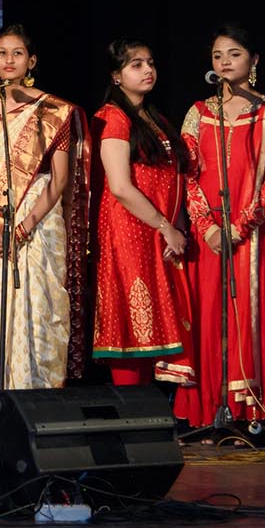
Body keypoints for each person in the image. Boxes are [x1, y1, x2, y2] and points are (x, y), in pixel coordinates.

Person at [174, 23, 265, 427]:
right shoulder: (198, 113)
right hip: (209, 237)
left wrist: (239, 227)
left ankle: (252, 413)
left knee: (250, 319)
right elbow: (187, 175)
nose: (224, 62)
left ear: (253, 60)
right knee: (211, 318)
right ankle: (212, 413)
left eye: (233, 54)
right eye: (217, 56)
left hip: (252, 236)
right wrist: (208, 227)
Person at [0, 24, 90, 402]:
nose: (9, 60)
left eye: (17, 53)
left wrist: (25, 226)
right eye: (2, 53)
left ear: (31, 61)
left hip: (40, 221)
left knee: (40, 309)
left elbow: (60, 178)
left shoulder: (55, 110)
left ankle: (40, 400)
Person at [90, 40, 194, 388]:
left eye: (150, 63)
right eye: (136, 65)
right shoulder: (113, 117)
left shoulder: (154, 118)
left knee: (160, 329)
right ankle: (133, 411)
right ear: (116, 76)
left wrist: (174, 227)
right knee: (132, 326)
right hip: (129, 234)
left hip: (158, 232)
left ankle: (156, 411)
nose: (148, 70)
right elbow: (120, 186)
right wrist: (165, 226)